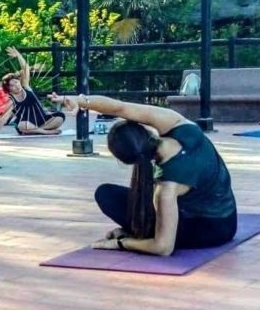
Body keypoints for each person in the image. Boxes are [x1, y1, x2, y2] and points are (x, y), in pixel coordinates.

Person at [52, 93, 238, 256]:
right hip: (225, 215)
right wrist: (80, 100)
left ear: (130, 161)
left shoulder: (166, 188)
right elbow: (120, 107)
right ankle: (143, 232)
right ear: (146, 131)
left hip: (212, 229)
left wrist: (122, 243)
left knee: (108, 198)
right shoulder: (178, 124)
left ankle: (142, 234)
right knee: (107, 193)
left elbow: (163, 248)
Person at [0, 47, 64, 137]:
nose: (16, 86)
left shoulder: (26, 87)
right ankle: (44, 131)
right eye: (12, 85)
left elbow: (25, 68)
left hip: (42, 120)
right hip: (26, 123)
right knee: (22, 125)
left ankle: (36, 130)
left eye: (16, 82)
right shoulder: (12, 100)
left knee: (59, 117)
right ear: (9, 89)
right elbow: (4, 118)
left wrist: (18, 55)